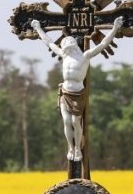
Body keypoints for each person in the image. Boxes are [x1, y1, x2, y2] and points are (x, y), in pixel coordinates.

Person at [30, 17, 124, 162]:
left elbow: (104, 44)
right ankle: (71, 147)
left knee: (75, 122)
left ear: (73, 44)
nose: (65, 45)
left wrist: (115, 28)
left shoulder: (85, 56)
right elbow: (49, 42)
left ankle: (78, 148)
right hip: (65, 92)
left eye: (67, 43)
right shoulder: (64, 55)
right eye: (64, 44)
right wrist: (38, 29)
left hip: (77, 93)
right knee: (66, 121)